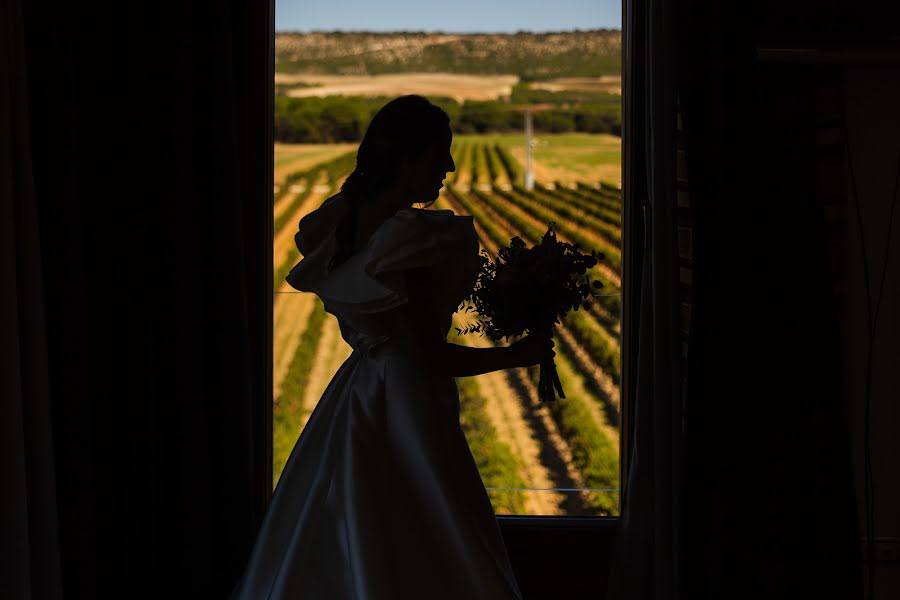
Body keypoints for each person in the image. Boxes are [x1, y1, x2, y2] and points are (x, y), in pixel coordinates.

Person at [231, 95, 555, 599]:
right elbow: (429, 356)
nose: (448, 167)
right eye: (438, 154)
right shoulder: (407, 237)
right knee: (432, 525)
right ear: (406, 160)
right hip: (408, 399)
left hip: (362, 388)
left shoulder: (344, 218)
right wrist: (519, 355)